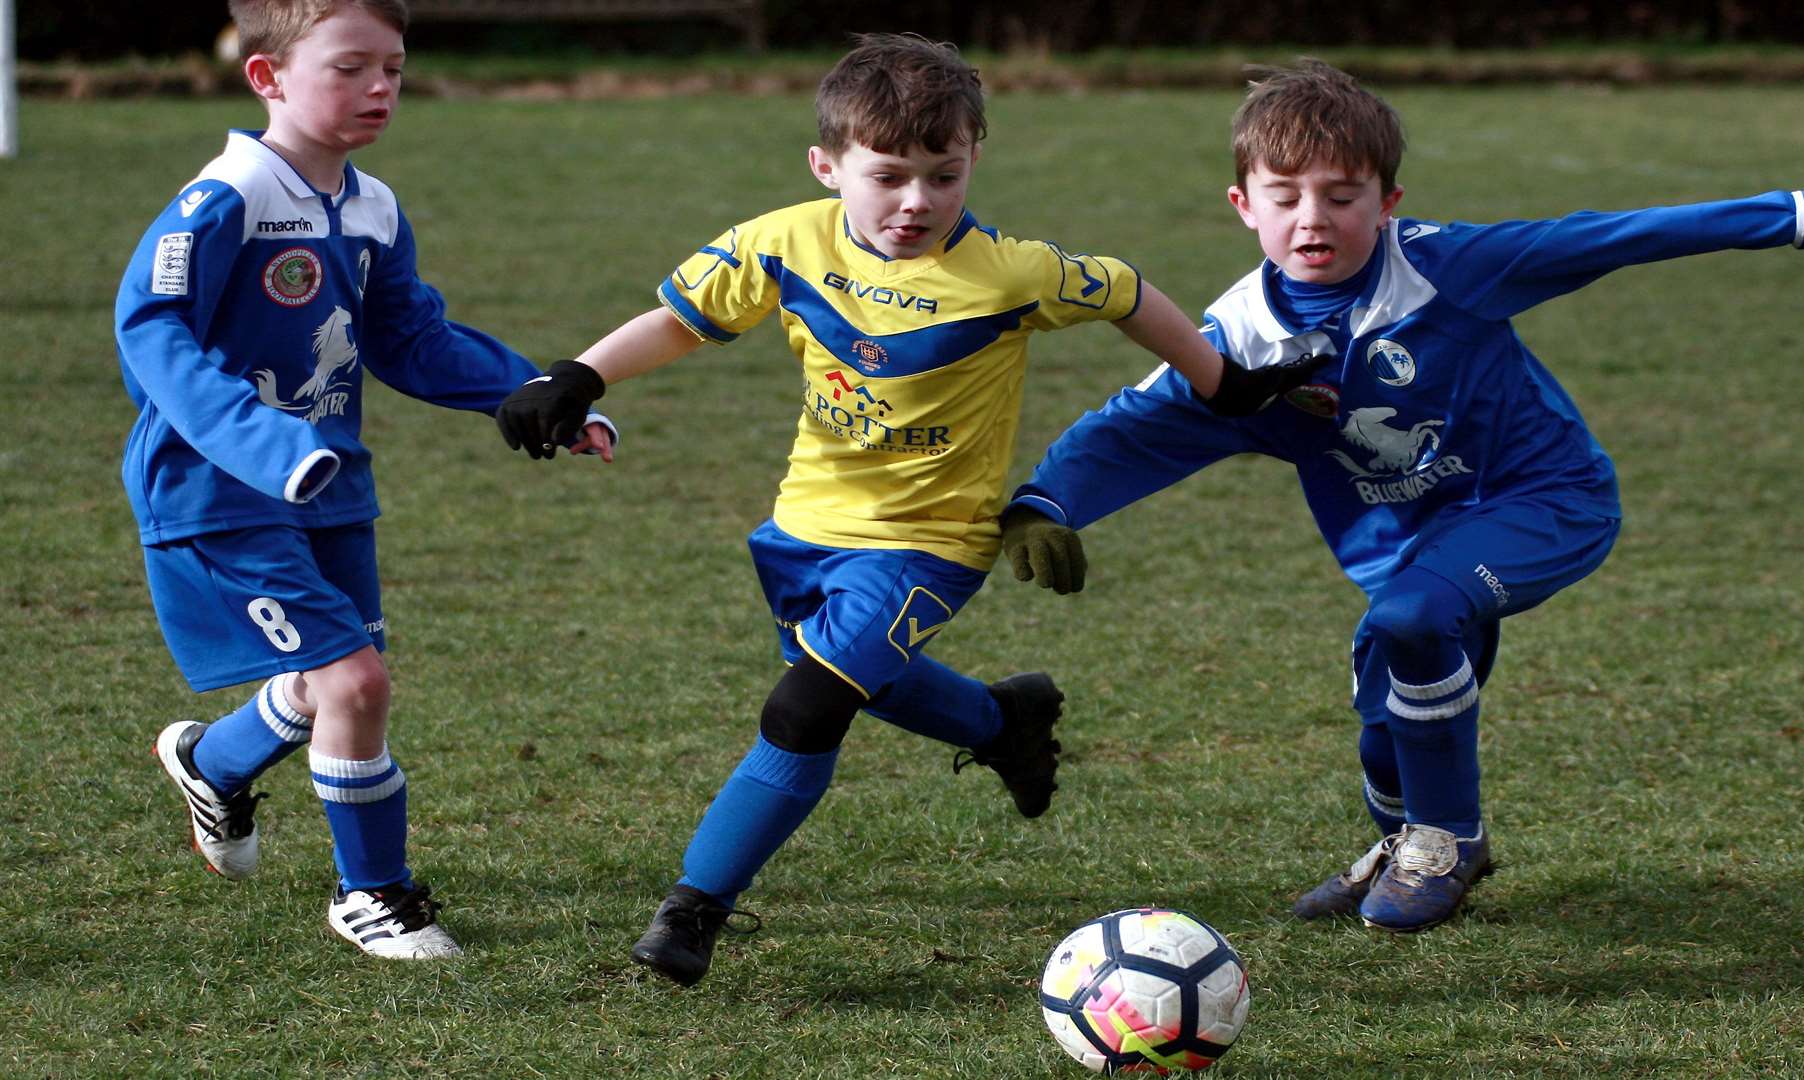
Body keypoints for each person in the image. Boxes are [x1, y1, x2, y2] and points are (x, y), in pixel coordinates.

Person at [999, 59, 1804, 932]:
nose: (1312, 218)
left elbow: (1622, 234)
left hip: (1545, 500)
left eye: (1342, 196)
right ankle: (1403, 838)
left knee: (1412, 620)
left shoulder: (1449, 269)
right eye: (1284, 198)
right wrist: (1048, 503)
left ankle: (1449, 843)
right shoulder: (1237, 345)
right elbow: (1136, 423)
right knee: (1379, 718)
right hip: (1401, 547)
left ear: (1388, 202)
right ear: (1244, 207)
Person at [495, 32, 1290, 986]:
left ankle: (693, 910)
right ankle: (1005, 725)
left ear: (973, 163)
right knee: (859, 678)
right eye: (890, 176)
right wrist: (578, 375)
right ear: (827, 166)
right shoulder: (782, 242)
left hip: (929, 547)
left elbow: (1123, 290)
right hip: (801, 531)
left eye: (943, 176)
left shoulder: (1009, 273)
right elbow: (682, 320)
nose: (917, 201)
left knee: (806, 707)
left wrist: (1221, 384)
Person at [116, 0, 615, 959]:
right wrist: (264, 446)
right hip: (216, 492)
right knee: (355, 680)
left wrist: (541, 395)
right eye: (349, 68)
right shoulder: (224, 198)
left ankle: (210, 763)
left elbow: (410, 338)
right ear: (268, 79)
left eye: (392, 67)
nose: (379, 87)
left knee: (325, 682)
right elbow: (153, 334)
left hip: (330, 491)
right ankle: (372, 895)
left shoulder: (372, 206)